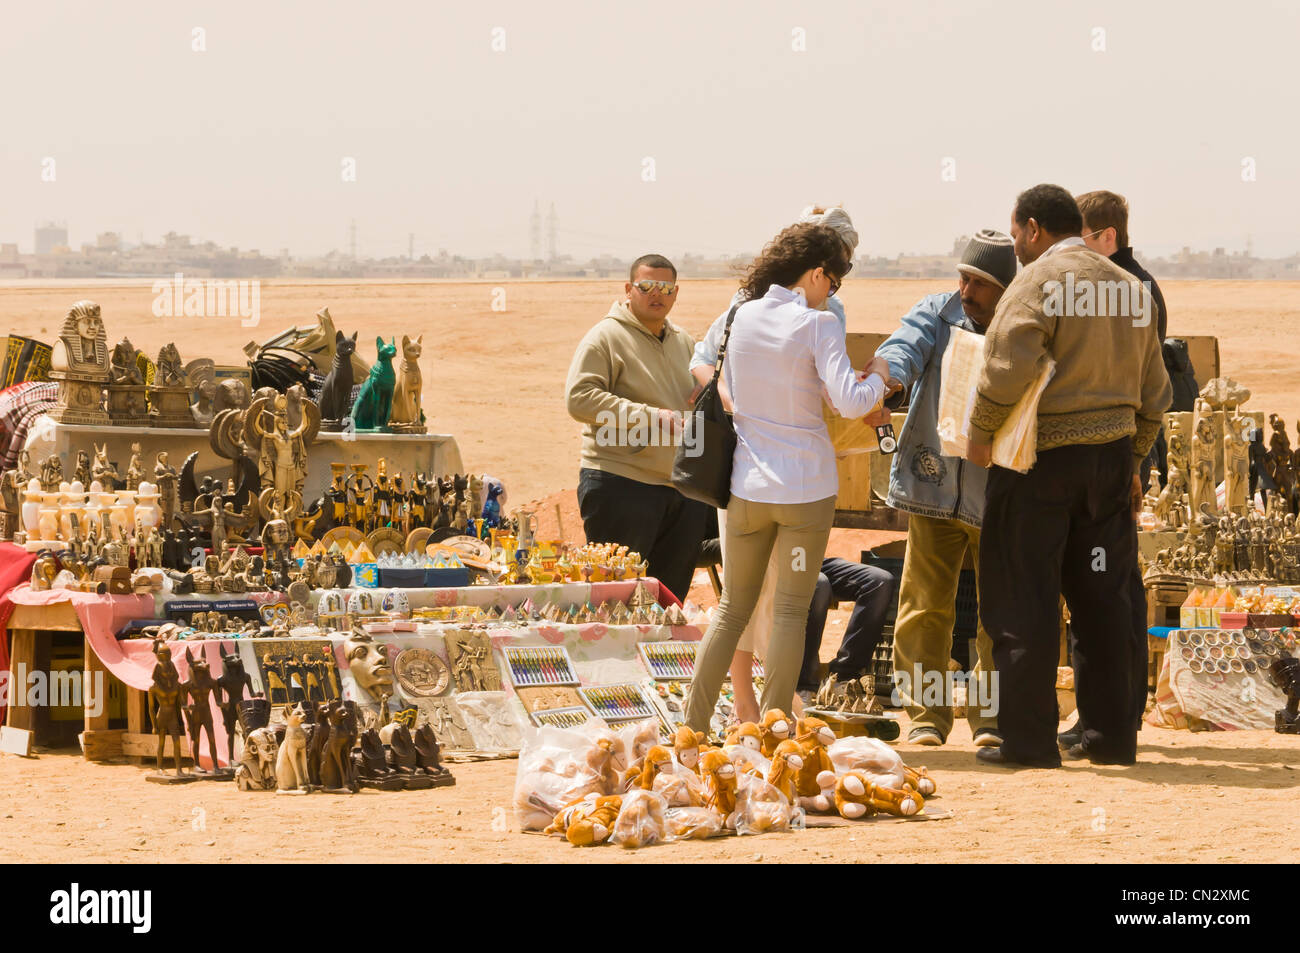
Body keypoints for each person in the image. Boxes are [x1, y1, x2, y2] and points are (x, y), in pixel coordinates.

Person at [967, 184, 1171, 768]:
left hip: (1039, 464)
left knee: (1022, 598)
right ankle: (1111, 740)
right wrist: (1132, 460)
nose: (1017, 250)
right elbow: (1156, 392)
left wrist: (980, 433)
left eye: (1015, 238)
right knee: (1104, 602)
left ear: (1034, 229)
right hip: (1107, 467)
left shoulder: (1037, 283)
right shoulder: (1129, 288)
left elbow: (1007, 366)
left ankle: (1029, 743)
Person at [688, 206, 891, 722]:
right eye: (835, 281)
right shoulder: (818, 323)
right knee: (788, 612)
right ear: (818, 272)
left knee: (732, 608)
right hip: (803, 491)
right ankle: (775, 730)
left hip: (745, 488)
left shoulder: (740, 315)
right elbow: (850, 401)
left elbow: (716, 373)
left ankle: (691, 726)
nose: (834, 293)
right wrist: (882, 379)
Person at [872, 230, 1017, 746]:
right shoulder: (938, 311)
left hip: (995, 491)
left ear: (1004, 287)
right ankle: (926, 718)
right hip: (933, 485)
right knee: (924, 603)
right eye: (964, 277)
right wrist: (885, 378)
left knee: (996, 611)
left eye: (979, 282)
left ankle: (990, 720)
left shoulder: (1019, 321)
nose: (967, 289)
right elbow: (904, 346)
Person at [565, 254, 709, 601]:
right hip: (621, 486)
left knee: (667, 605)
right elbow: (579, 399)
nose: (656, 294)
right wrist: (650, 416)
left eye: (665, 288)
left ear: (676, 293)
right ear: (629, 289)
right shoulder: (605, 337)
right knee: (615, 602)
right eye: (646, 286)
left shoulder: (685, 342)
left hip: (680, 491)